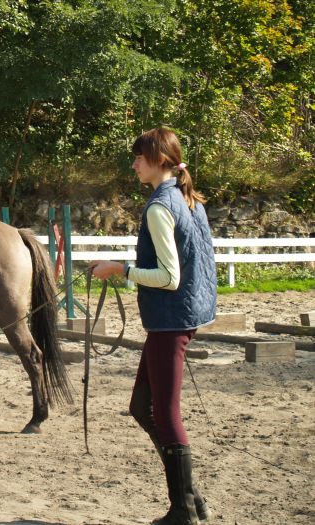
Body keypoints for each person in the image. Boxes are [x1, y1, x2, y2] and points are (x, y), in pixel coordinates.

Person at [90, 127, 217, 525]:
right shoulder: (186, 198)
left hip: (170, 319)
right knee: (141, 407)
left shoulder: (161, 206)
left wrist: (121, 269)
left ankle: (183, 510)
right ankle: (192, 498)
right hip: (180, 316)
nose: (134, 163)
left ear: (159, 159)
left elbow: (169, 276)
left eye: (139, 158)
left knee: (164, 412)